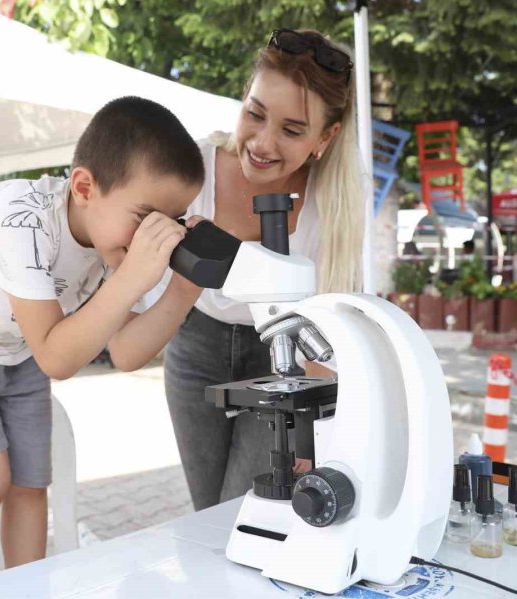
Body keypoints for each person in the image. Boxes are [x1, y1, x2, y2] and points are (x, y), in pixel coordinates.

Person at [0, 97, 204, 583]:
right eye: (147, 218)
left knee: (30, 483)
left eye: (173, 221)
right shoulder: (20, 220)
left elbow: (125, 352)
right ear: (84, 186)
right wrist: (131, 280)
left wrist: (182, 293)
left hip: (21, 344)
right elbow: (57, 358)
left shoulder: (115, 243)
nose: (157, 238)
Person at [151, 28, 365, 512]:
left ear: (324, 138)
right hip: (195, 345)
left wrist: (315, 427)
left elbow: (328, 320)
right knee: (208, 510)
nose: (263, 143)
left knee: (245, 505)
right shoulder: (193, 168)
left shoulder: (336, 204)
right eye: (255, 113)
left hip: (282, 351)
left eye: (292, 130)